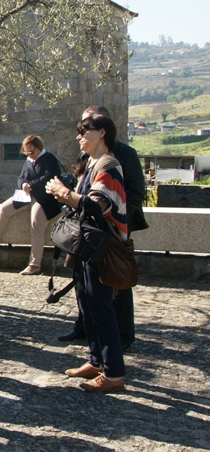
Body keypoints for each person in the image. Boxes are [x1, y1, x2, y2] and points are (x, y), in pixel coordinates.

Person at [45, 113, 128, 393]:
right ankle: (96, 360)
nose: (79, 136)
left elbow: (97, 206)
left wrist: (63, 192)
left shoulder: (108, 165)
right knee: (87, 306)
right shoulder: (90, 163)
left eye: (85, 131)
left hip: (101, 248)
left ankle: (114, 374)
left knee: (101, 308)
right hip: (87, 246)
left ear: (102, 132)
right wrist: (65, 195)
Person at [58, 106, 147, 350]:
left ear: (102, 129)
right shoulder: (87, 156)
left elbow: (135, 192)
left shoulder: (121, 156)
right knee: (84, 283)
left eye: (87, 126)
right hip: (86, 230)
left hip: (110, 233)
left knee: (116, 280)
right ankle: (85, 328)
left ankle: (122, 335)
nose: (81, 133)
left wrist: (113, 223)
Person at [0, 135, 62, 275]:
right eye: (27, 152)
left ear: (39, 148)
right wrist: (23, 184)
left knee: (36, 222)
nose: (29, 154)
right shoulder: (29, 160)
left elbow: (50, 176)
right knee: (4, 208)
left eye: (32, 152)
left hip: (44, 198)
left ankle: (35, 264)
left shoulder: (49, 158)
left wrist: (31, 185)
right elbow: (21, 177)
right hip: (27, 195)